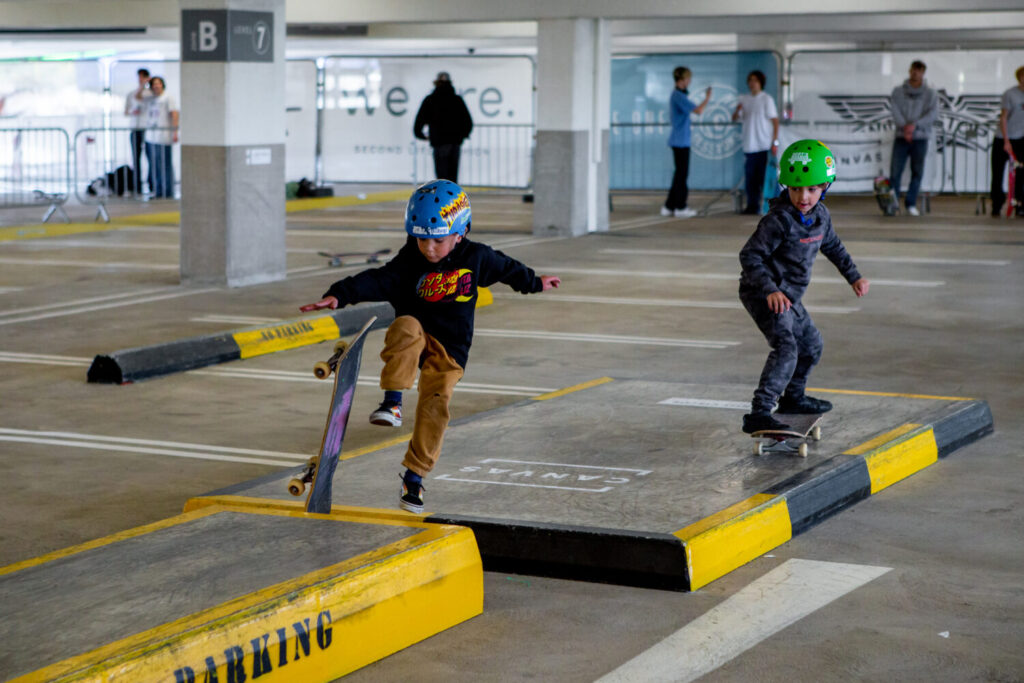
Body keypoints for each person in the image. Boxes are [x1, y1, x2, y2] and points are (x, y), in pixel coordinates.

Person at [299, 180, 560, 513]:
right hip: (418, 332)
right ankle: (392, 402)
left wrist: (536, 282)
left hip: (451, 347)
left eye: (438, 241)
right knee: (405, 327)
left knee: (437, 405)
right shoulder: (410, 259)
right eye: (421, 239)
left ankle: (414, 477)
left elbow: (510, 269)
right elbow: (379, 278)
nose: (430, 249)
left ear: (460, 232)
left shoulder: (477, 257)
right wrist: (340, 294)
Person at [738, 139, 870, 434]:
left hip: (789, 296)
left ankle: (793, 398)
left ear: (825, 186)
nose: (803, 196)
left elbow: (833, 246)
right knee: (786, 348)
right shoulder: (778, 220)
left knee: (811, 345)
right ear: (786, 187)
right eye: (796, 188)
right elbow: (750, 255)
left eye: (812, 189)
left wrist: (854, 276)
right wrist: (770, 289)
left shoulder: (821, 216)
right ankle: (759, 412)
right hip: (763, 293)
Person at [888, 60, 939, 217]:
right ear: (909, 71)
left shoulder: (930, 93)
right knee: (895, 171)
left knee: (917, 171)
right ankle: (893, 204)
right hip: (901, 136)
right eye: (913, 70)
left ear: (923, 72)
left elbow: (932, 114)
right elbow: (895, 110)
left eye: (919, 71)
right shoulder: (898, 91)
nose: (915, 73)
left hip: (920, 138)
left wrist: (914, 126)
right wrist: (905, 127)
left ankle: (910, 203)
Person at [662, 66, 711, 219]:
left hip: (680, 140)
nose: (689, 82)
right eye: (688, 79)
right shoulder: (678, 96)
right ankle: (680, 206)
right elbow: (698, 110)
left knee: (679, 174)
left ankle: (669, 205)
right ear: (682, 80)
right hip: (680, 141)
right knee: (682, 175)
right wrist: (707, 98)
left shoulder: (678, 95)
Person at [731, 70, 780, 215]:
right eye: (750, 80)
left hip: (763, 144)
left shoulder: (766, 99)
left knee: (764, 178)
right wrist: (738, 109)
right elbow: (735, 118)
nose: (752, 83)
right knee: (750, 178)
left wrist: (774, 141)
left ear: (760, 83)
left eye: (755, 80)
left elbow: (775, 121)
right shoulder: (744, 99)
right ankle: (752, 205)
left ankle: (771, 205)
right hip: (749, 145)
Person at [413, 72, 473, 183]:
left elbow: (419, 121)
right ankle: (454, 199)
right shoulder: (457, 100)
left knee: (441, 177)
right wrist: (462, 135)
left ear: (436, 83)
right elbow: (468, 122)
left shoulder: (430, 100)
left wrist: (421, 135)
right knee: (453, 177)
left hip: (439, 142)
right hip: (454, 142)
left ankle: (442, 199)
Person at [990, 66, 1024, 218]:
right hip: (1003, 138)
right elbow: (1003, 117)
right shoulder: (1010, 94)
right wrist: (1006, 140)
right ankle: (997, 204)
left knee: (1021, 174)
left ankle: (1019, 204)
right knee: (998, 172)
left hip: (1021, 138)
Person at [144, 76, 179, 199]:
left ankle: (167, 191)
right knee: (155, 165)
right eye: (154, 84)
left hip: (163, 137)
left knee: (165, 165)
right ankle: (158, 190)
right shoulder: (151, 98)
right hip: (151, 136)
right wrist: (145, 84)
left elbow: (174, 114)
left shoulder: (168, 98)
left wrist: (174, 131)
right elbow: (139, 96)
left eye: (158, 84)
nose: (156, 86)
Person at [123, 68, 151, 195]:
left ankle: (151, 183)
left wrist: (145, 85)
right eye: (139, 77)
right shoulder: (131, 94)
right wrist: (131, 112)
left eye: (143, 77)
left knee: (151, 157)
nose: (141, 79)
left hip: (147, 129)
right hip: (135, 128)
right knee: (136, 158)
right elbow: (126, 111)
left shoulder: (149, 93)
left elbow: (140, 97)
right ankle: (137, 186)